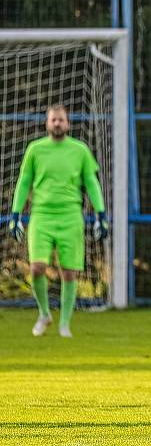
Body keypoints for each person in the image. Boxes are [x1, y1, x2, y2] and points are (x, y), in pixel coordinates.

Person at [9, 104, 108, 338]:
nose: (57, 124)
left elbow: (91, 182)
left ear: (68, 123)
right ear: (47, 123)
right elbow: (24, 182)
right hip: (41, 215)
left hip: (71, 215)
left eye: (61, 120)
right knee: (36, 268)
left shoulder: (80, 150)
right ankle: (44, 313)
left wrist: (100, 214)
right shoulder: (35, 149)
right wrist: (15, 214)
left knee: (70, 272)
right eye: (53, 120)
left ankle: (64, 323)